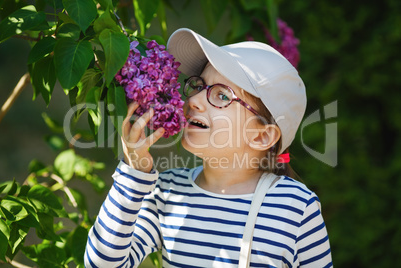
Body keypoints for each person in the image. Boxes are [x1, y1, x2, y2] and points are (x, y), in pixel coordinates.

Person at [84, 28, 333, 267]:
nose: (193, 100)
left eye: (222, 96)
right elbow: (102, 263)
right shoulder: (167, 192)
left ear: (261, 136)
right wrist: (133, 173)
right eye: (198, 85)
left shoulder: (296, 207)